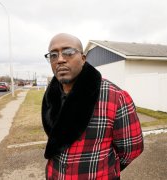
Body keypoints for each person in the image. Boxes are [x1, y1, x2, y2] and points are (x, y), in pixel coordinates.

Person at [41, 33, 144, 179]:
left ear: (83, 59)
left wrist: (106, 170)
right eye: (53, 55)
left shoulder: (115, 97)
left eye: (68, 52)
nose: (60, 60)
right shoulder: (50, 97)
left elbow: (132, 149)